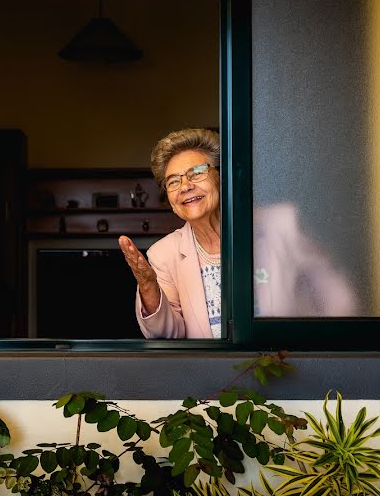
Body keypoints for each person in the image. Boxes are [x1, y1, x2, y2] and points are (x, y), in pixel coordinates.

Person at [118, 128, 356, 339]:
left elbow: (339, 298)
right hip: (217, 382)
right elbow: (167, 334)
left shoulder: (281, 224)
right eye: (173, 182)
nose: (185, 186)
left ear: (222, 177)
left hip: (288, 368)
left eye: (196, 173)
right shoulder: (164, 254)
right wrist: (149, 288)